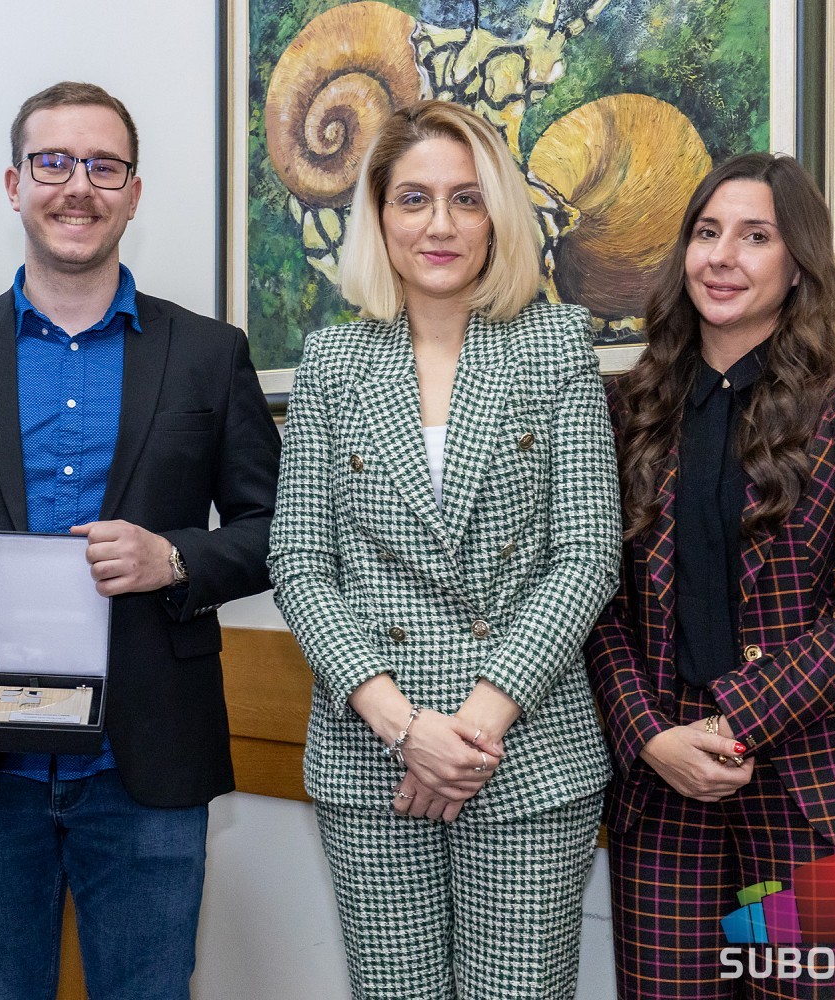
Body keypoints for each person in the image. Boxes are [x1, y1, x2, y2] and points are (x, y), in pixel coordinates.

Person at [0, 81, 280, 999]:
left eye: (104, 166)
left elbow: (276, 531)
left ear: (134, 194)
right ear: (13, 184)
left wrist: (173, 559)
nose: (78, 187)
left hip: (144, 764)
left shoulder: (209, 354)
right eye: (53, 162)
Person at [267, 99, 621, 999]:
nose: (440, 224)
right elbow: (299, 564)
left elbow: (587, 555)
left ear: (497, 215)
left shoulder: (554, 345)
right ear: (379, 215)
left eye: (467, 199)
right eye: (414, 198)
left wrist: (471, 732)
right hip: (371, 756)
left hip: (525, 753)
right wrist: (405, 729)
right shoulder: (332, 363)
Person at [586, 152, 835, 998]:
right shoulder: (626, 404)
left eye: (755, 237)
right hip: (665, 792)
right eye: (706, 233)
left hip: (821, 790)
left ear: (798, 264)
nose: (721, 257)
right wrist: (651, 738)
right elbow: (595, 598)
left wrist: (735, 723)